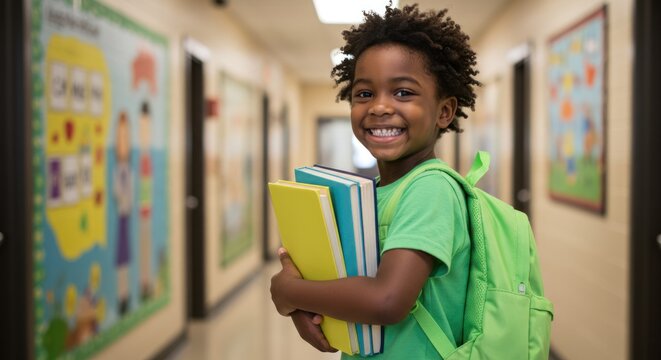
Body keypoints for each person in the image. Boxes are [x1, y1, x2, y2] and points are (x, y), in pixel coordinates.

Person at [270, 4, 480, 358]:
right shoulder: (379, 191)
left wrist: (289, 292)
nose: (379, 107)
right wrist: (307, 309)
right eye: (364, 94)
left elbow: (387, 301)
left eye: (403, 92)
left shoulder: (430, 188)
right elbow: (355, 290)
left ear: (444, 112)